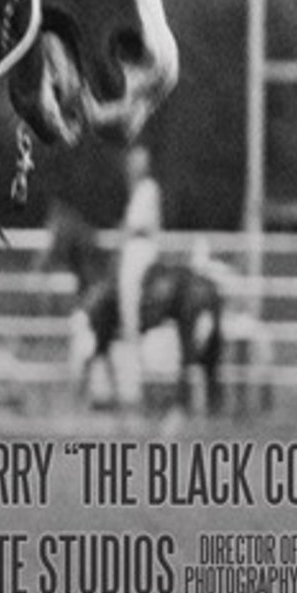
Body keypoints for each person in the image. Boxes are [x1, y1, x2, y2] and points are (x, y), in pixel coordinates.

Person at [112, 143, 163, 407]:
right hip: (135, 249)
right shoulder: (137, 192)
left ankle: (138, 387)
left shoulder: (148, 189)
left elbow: (136, 226)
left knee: (132, 310)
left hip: (140, 251)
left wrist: (123, 232)